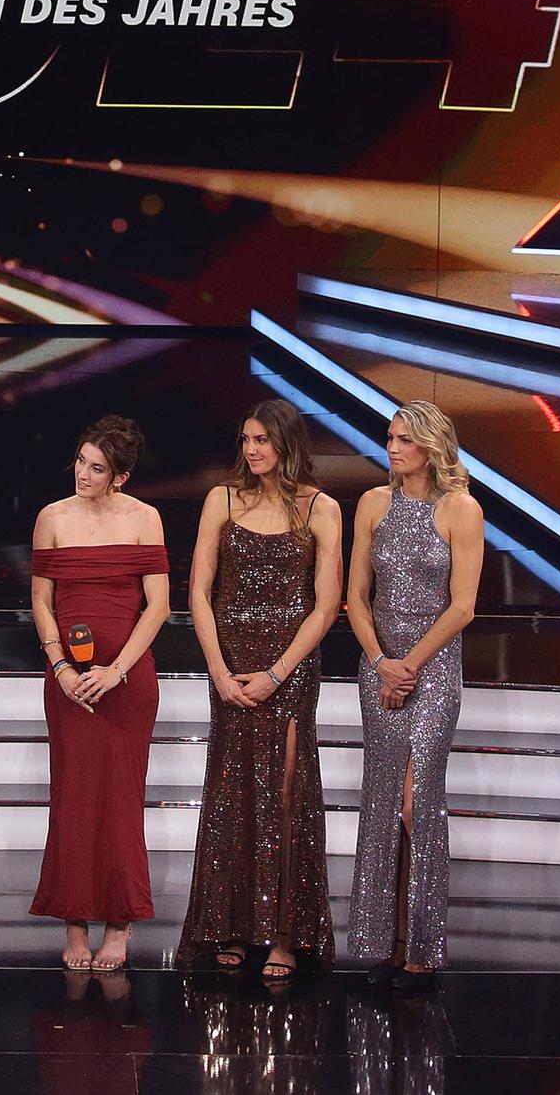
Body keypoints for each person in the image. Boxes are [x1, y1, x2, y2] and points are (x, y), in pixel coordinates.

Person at [177, 398, 343, 980]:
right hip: (231, 664)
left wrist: (277, 673)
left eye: (262, 441)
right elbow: (199, 591)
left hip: (291, 670)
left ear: (286, 444)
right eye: (245, 439)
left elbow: (325, 608)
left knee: (285, 794)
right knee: (231, 791)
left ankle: (284, 933)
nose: (251, 450)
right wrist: (219, 671)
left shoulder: (321, 509)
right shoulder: (221, 500)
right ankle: (230, 925)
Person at [345, 401, 482, 993]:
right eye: (389, 438)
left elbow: (463, 607)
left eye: (404, 440)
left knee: (415, 803)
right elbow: (356, 595)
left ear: (431, 445)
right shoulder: (373, 504)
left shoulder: (461, 510)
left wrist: (411, 666)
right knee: (381, 804)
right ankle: (383, 946)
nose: (393, 448)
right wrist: (382, 663)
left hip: (433, 672)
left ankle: (423, 948)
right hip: (379, 670)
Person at [29, 416, 170, 971]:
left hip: (128, 681)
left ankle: (120, 923)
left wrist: (116, 671)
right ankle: (74, 924)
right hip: (67, 681)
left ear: (122, 476)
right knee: (72, 800)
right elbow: (41, 600)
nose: (83, 474)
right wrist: (61, 666)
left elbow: (157, 605)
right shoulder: (51, 518)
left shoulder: (145, 519)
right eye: (81, 462)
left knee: (119, 801)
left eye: (97, 468)